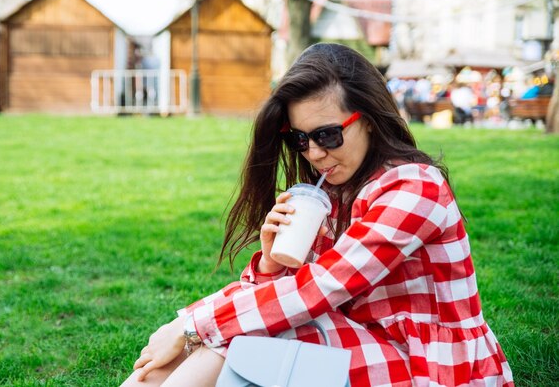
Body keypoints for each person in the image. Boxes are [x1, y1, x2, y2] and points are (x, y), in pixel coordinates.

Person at [121, 43, 514, 386]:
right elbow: (289, 295)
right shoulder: (334, 193)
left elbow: (317, 291)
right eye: (299, 139)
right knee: (234, 336)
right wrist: (272, 266)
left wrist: (190, 326)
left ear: (371, 121)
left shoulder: (414, 190)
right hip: (360, 341)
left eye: (327, 134)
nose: (313, 153)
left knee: (242, 337)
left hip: (432, 364)